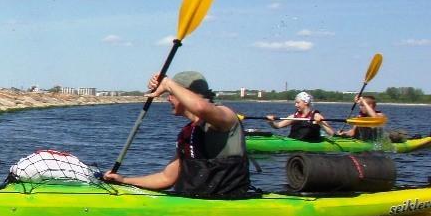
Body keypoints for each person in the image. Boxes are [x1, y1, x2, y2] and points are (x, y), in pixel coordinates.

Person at [103, 70, 251, 197]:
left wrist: (168, 83)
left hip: (229, 200)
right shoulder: (188, 132)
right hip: (196, 200)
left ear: (187, 94)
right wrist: (124, 181)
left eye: (171, 94)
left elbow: (200, 107)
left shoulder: (225, 116)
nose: (168, 98)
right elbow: (166, 178)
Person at [264, 91, 334, 142]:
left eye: (298, 102)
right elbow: (278, 126)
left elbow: (331, 133)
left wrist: (320, 123)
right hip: (292, 143)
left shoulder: (316, 116)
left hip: (311, 145)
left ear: (306, 102)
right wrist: (271, 122)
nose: (295, 105)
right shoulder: (294, 116)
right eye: (295, 103)